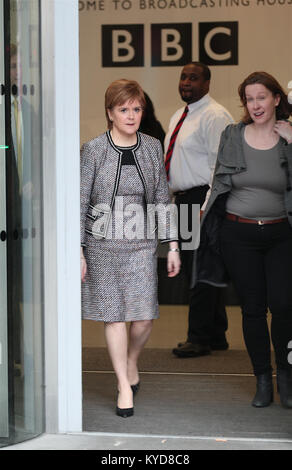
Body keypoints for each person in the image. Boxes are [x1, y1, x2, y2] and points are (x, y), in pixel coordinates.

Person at [80, 79, 180, 418]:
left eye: (136, 109)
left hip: (140, 242)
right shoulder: (92, 150)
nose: (131, 115)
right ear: (110, 113)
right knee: (114, 317)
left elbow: (162, 199)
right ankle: (123, 383)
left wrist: (173, 245)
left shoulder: (151, 147)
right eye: (123, 109)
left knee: (144, 317)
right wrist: (78, 250)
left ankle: (131, 360)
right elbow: (79, 202)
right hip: (101, 245)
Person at [193, 71, 292, 408]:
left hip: (282, 234)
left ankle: (286, 377)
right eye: (249, 99)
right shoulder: (233, 135)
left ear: (277, 99)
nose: (255, 105)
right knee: (252, 309)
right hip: (239, 234)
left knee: (283, 306)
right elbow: (219, 181)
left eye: (261, 97)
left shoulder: (288, 137)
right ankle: (263, 379)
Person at [164, 62, 233, 358]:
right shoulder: (179, 115)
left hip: (204, 200)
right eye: (183, 77)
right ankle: (216, 334)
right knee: (198, 266)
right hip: (184, 200)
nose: (186, 82)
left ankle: (199, 337)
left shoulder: (215, 115)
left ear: (207, 83)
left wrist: (206, 207)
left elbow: (220, 165)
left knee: (198, 270)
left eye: (193, 78)